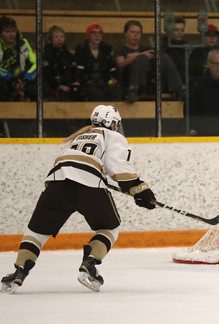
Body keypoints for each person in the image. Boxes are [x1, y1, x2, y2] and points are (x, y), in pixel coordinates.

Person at [0, 105, 157, 294]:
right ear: (113, 123)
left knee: (36, 232)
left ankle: (18, 272)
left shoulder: (76, 137)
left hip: (57, 184)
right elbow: (117, 166)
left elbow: (69, 163)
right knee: (110, 227)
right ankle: (89, 264)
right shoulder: (112, 136)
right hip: (89, 185)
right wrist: (140, 190)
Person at [114, 20, 184, 102]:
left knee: (164, 57)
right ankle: (133, 90)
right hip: (127, 80)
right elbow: (120, 64)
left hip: (147, 82)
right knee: (142, 58)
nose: (136, 35)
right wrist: (139, 55)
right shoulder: (120, 49)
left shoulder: (146, 49)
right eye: (132, 32)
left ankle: (179, 89)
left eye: (138, 32)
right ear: (125, 34)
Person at [74, 23, 121, 101]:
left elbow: (113, 67)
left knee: (116, 91)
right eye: (94, 33)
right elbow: (79, 71)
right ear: (88, 35)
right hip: (87, 83)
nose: (97, 36)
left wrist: (114, 79)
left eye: (99, 33)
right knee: (95, 92)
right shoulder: (81, 50)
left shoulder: (106, 49)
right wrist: (87, 80)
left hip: (105, 81)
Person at [0, 15, 37, 101]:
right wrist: (10, 78)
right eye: (7, 32)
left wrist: (29, 75)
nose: (11, 34)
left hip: (22, 76)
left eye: (13, 31)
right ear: (0, 33)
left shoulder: (23, 42)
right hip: (5, 78)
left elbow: (35, 61)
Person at [42, 25, 79, 101]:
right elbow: (46, 74)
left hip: (68, 86)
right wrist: (58, 86)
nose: (59, 39)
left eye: (61, 37)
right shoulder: (46, 54)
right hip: (52, 86)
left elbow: (73, 71)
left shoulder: (68, 55)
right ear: (51, 39)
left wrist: (75, 82)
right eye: (56, 37)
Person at [161, 16, 188, 83]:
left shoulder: (186, 45)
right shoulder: (162, 46)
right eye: (176, 30)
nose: (180, 32)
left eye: (182, 30)